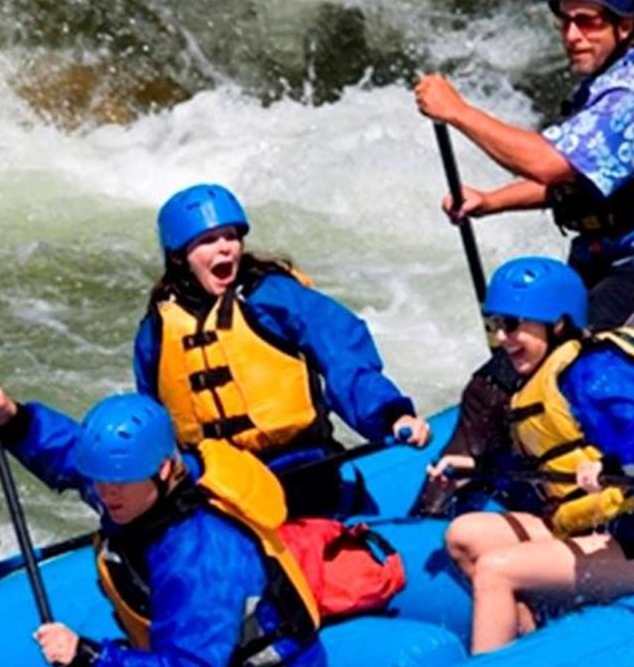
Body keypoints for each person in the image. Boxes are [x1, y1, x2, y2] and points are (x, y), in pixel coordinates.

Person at [0, 380, 328, 667]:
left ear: (165, 469)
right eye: (101, 480)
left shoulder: (200, 555)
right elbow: (72, 454)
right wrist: (12, 418)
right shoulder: (136, 486)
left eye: (118, 482)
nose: (106, 493)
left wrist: (87, 657)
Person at [414, 0, 634, 330]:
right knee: (519, 348)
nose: (572, 36)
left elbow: (549, 163)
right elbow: (575, 180)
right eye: (566, 23)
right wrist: (491, 202)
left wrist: (458, 112)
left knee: (572, 357)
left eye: (587, 23)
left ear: (623, 26)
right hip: (602, 264)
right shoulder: (606, 87)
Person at [423, 258, 634, 655]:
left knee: (496, 571)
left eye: (514, 324)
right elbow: (550, 462)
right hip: (588, 530)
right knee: (465, 535)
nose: (503, 339)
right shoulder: (531, 383)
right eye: (497, 326)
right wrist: (477, 469)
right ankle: (530, 649)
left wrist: (616, 466)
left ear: (557, 324)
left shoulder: (596, 371)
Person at [133, 182, 430, 518]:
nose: (225, 248)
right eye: (207, 241)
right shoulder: (157, 329)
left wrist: (391, 414)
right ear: (179, 256)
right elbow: (152, 414)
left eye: (231, 236)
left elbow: (343, 356)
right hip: (219, 481)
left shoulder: (273, 297)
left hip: (300, 465)